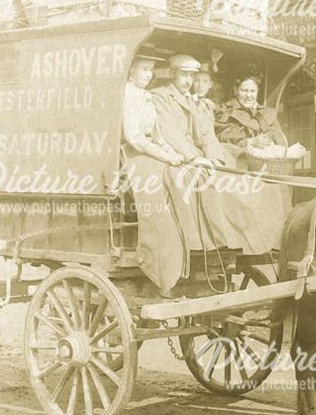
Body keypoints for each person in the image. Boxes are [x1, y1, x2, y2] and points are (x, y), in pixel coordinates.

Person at [153, 54, 285, 260]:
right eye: (184, 75)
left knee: (232, 178)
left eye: (191, 76)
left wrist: (215, 158)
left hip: (198, 158)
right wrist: (196, 157)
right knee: (204, 180)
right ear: (172, 74)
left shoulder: (195, 102)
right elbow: (171, 133)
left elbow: (207, 135)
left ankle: (243, 236)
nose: (188, 81)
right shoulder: (160, 96)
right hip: (174, 156)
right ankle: (208, 240)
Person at [120, 54, 188, 296]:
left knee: (183, 175)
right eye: (144, 70)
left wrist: (175, 153)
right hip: (134, 155)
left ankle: (185, 247)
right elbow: (135, 138)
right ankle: (161, 264)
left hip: (151, 151)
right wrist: (166, 157)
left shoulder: (145, 97)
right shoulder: (127, 95)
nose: (148, 75)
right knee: (159, 185)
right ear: (131, 72)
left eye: (150, 70)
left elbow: (158, 136)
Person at [215, 76, 288, 150]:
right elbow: (222, 138)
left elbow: (281, 142)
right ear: (235, 90)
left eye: (252, 91)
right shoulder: (226, 111)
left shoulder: (268, 113)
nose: (249, 95)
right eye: (244, 91)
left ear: (257, 91)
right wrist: (251, 142)